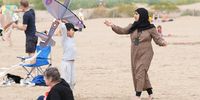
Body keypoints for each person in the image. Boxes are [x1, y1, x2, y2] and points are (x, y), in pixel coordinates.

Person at [104, 8, 167, 100]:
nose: (135, 15)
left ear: (142, 15)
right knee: (141, 73)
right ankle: (150, 94)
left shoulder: (151, 28)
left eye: (137, 14)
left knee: (140, 73)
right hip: (135, 54)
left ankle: (138, 95)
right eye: (134, 14)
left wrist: (163, 42)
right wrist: (112, 25)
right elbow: (122, 30)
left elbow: (157, 38)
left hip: (146, 54)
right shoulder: (132, 26)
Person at [59, 20, 78, 90]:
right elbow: (63, 29)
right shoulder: (64, 39)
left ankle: (70, 95)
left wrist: (66, 21)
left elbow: (66, 27)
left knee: (72, 81)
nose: (73, 32)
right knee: (66, 81)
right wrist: (60, 21)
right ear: (67, 31)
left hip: (72, 63)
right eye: (72, 30)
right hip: (66, 63)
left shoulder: (72, 39)